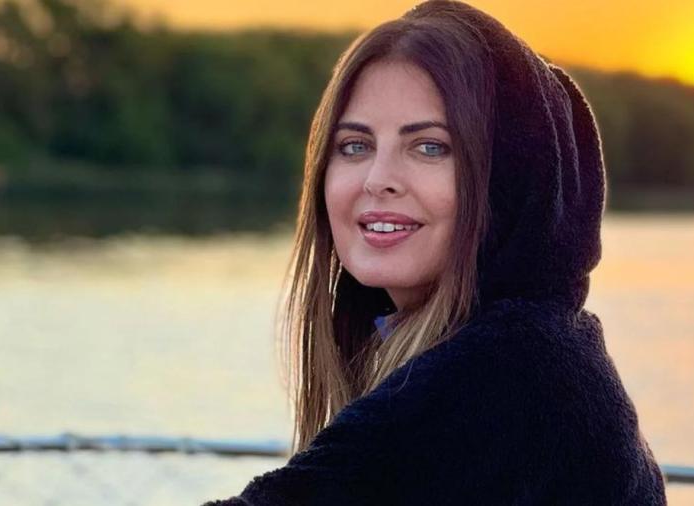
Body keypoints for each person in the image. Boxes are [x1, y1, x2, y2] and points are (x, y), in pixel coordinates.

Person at [204, 0, 667, 504]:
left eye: (429, 147)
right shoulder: (535, 346)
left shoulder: (508, 373)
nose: (378, 179)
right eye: (355, 146)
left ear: (505, 182)